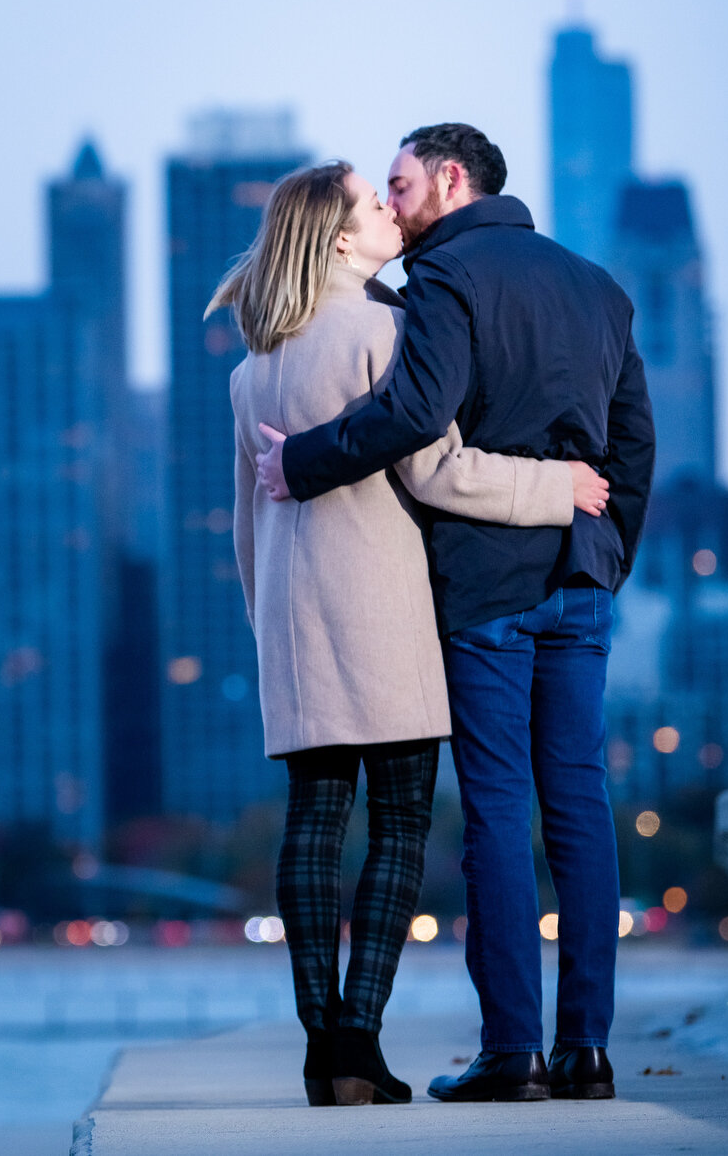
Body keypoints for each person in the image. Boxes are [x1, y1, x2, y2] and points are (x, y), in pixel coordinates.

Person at [257, 123, 655, 1105]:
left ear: (448, 176)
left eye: (398, 183)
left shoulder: (442, 279)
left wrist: (297, 462)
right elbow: (635, 449)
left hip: (484, 583)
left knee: (495, 812)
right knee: (579, 806)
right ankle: (588, 1048)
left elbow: (411, 416)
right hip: (579, 580)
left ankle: (511, 1051)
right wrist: (604, 560)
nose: (391, 205)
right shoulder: (599, 286)